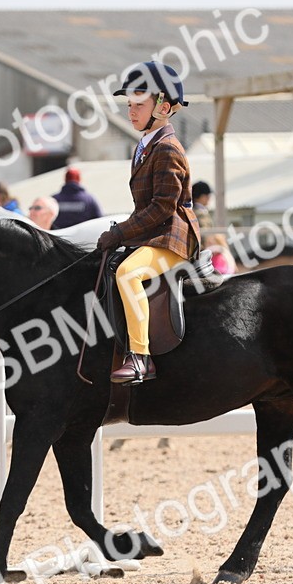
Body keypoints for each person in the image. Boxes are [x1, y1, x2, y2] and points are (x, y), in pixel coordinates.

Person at [96, 61, 200, 383]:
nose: (131, 111)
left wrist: (122, 232)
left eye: (139, 104)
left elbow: (162, 209)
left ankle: (140, 357)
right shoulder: (144, 146)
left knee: (128, 273)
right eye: (129, 105)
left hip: (173, 236)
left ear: (163, 107)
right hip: (154, 235)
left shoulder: (167, 149)